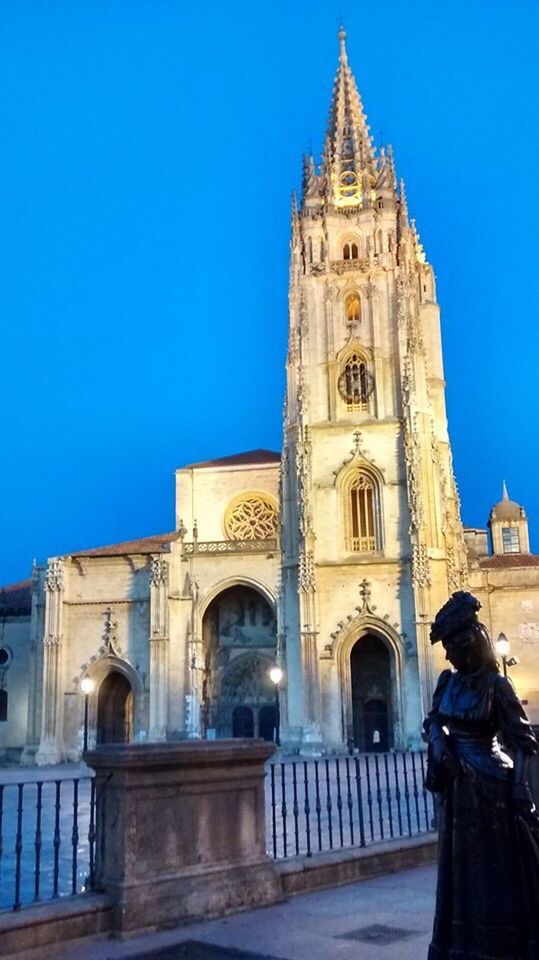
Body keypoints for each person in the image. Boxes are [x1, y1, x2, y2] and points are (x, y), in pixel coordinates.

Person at [424, 591, 539, 960]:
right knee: (462, 875)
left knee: (495, 874)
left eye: (451, 646)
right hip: (459, 790)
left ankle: (500, 947)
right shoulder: (448, 682)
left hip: (492, 788)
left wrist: (521, 789)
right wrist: (438, 745)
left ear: (469, 641)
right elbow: (434, 721)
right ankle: (461, 945)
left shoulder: (497, 686)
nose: (447, 655)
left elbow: (524, 743)